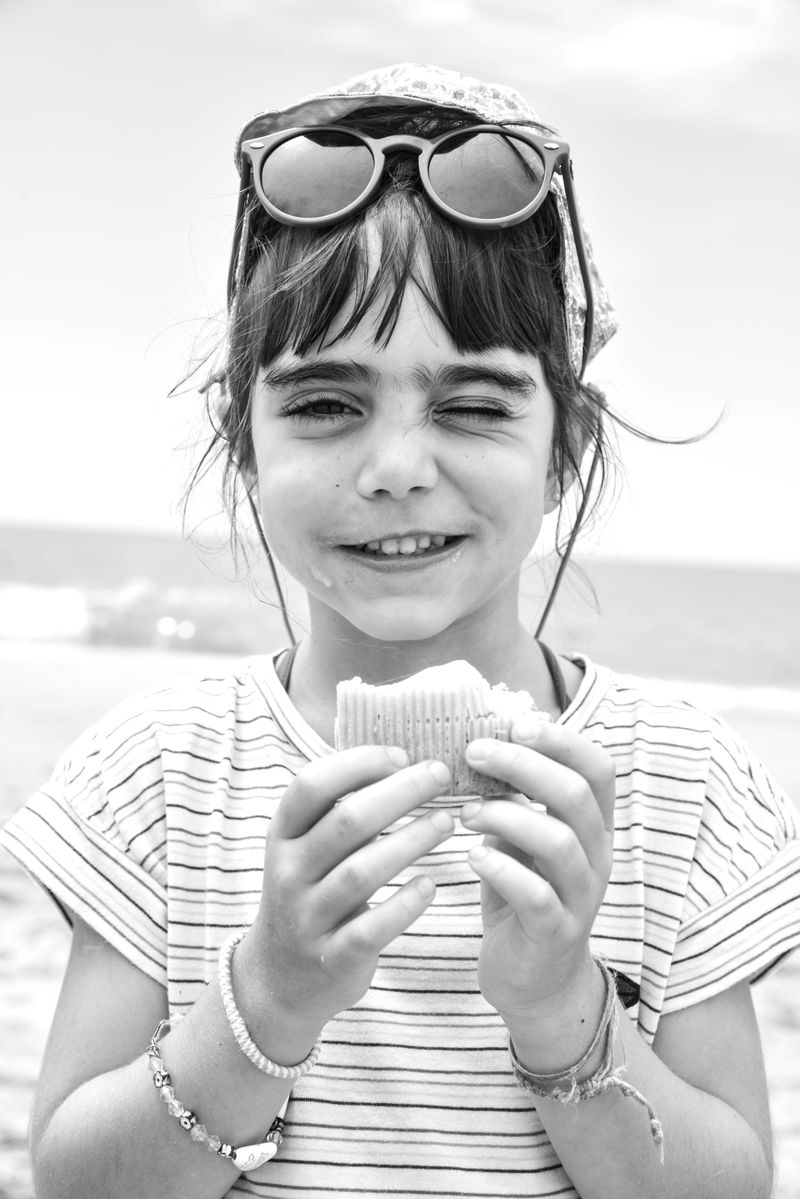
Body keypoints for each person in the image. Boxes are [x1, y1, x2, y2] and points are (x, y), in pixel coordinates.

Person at [2, 62, 799, 1199]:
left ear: (563, 443)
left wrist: (562, 1007)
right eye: (325, 404)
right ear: (245, 444)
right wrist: (267, 997)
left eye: (471, 405)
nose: (394, 470)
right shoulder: (159, 777)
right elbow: (78, 1181)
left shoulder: (680, 784)